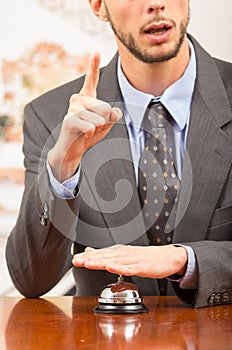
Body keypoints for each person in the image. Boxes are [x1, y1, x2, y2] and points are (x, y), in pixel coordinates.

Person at [6, 0, 232, 308]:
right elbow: (32, 279)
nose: (156, 4)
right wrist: (63, 170)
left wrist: (187, 259)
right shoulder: (50, 115)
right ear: (99, 6)